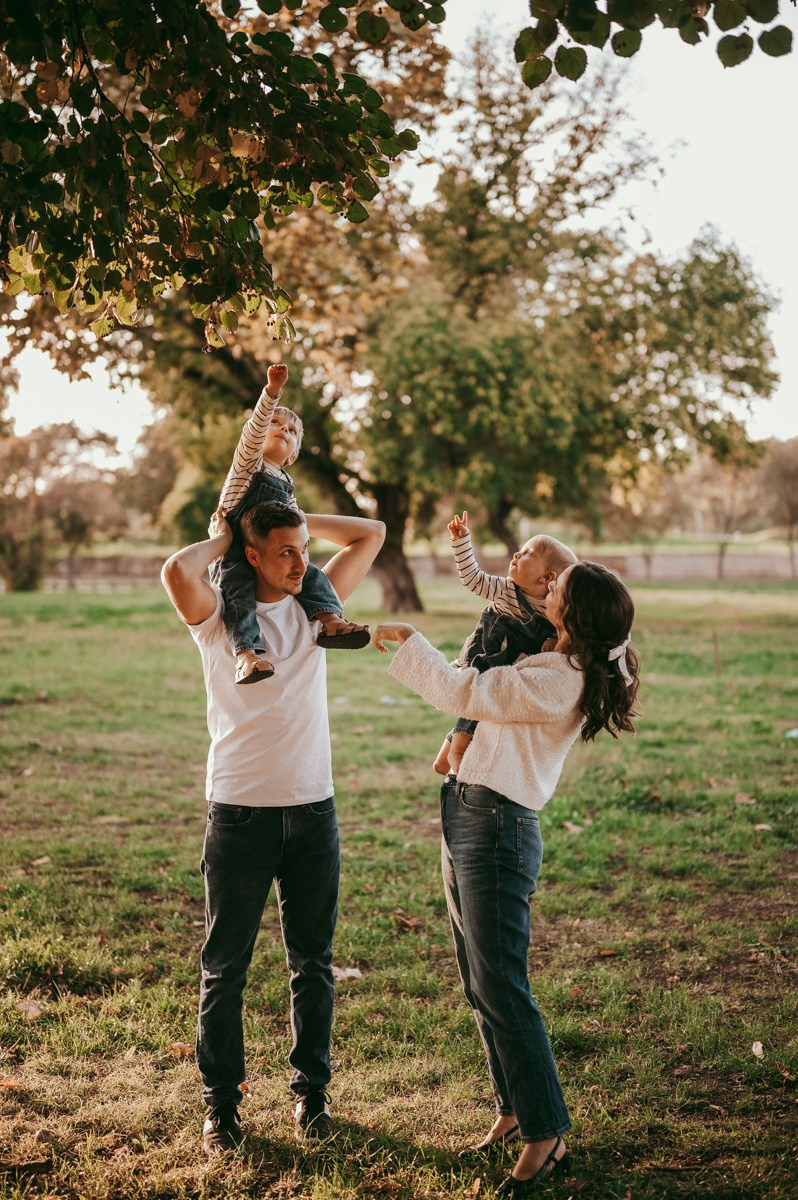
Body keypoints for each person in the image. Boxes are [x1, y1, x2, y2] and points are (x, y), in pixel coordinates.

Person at [373, 560, 639, 1196]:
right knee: (479, 978)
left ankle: (546, 1133)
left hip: (497, 827)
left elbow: (466, 692)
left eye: (557, 591)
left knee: (502, 983)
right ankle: (515, 1109)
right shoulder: (562, 658)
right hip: (471, 809)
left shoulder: (557, 678)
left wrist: (412, 641)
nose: (545, 592)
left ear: (573, 615)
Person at [161, 500, 385, 1155]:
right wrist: (227, 534)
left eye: (304, 548)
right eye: (283, 551)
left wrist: (289, 509)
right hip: (238, 815)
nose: (300, 562)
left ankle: (311, 1099)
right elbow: (178, 570)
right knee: (224, 969)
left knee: (312, 964)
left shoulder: (319, 614)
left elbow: (371, 533)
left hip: (315, 810)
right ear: (251, 556)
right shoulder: (221, 621)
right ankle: (221, 1109)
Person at [212, 363, 371, 685]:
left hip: (278, 554)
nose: (283, 429)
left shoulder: (286, 484)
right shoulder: (246, 468)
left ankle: (330, 622)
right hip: (237, 556)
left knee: (312, 574)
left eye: (292, 431)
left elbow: (298, 526)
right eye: (276, 423)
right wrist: (271, 393)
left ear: (293, 456)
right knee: (238, 596)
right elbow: (252, 434)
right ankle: (247, 657)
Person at [433, 511, 577, 776]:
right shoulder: (505, 589)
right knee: (480, 694)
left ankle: (445, 755)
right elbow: (473, 579)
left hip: (512, 662)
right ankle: (457, 752)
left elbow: (564, 634)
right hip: (486, 651)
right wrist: (462, 542)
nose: (516, 555)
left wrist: (554, 643)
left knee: (492, 704)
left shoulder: (554, 606)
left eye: (527, 554)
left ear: (547, 577)